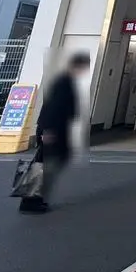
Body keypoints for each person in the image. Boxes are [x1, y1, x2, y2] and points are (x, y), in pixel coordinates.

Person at [19, 51, 89, 214]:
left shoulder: (66, 81)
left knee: (47, 164)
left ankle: (36, 198)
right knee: (42, 166)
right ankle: (30, 200)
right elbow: (52, 108)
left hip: (57, 130)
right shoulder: (63, 82)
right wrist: (46, 131)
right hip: (52, 131)